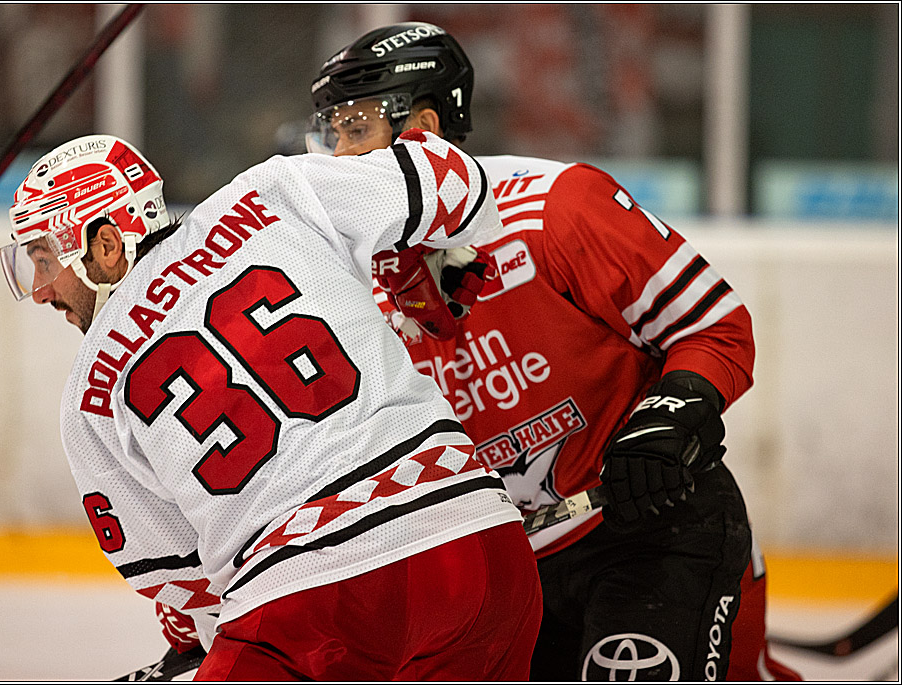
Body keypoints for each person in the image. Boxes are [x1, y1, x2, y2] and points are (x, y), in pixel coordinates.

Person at [307, 21, 803, 681]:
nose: (337, 156)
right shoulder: (343, 274)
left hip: (646, 531)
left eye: (357, 129)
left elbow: (716, 326)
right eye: (332, 132)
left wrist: (673, 408)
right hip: (503, 572)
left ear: (422, 129)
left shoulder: (555, 208)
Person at [0, 132, 542, 680]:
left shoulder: (90, 393)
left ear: (107, 245)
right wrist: (420, 252)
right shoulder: (272, 191)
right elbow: (453, 178)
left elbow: (183, 581)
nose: (40, 290)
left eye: (44, 260)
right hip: (481, 549)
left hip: (311, 606)